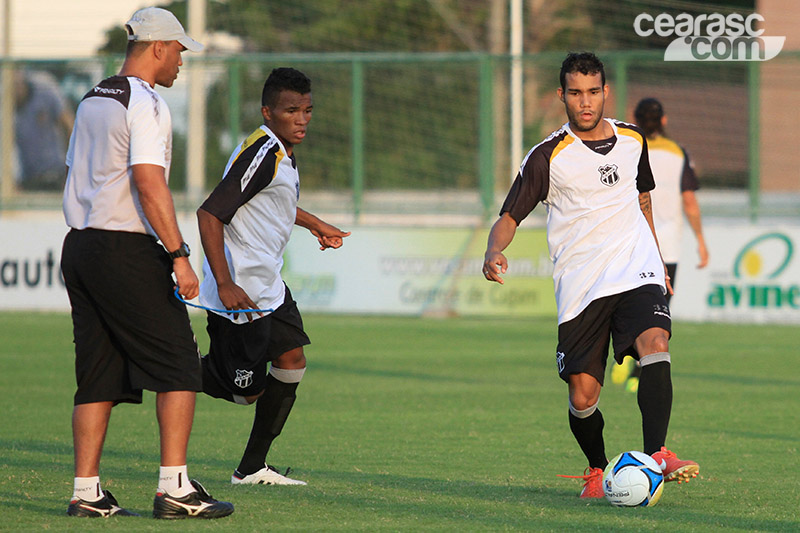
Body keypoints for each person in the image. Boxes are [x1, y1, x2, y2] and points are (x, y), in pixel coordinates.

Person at [482, 52, 699, 498]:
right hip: (582, 286)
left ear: (606, 92)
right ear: (562, 95)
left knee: (656, 344)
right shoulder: (547, 156)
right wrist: (493, 249)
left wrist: (657, 261)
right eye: (576, 93)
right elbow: (510, 215)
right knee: (583, 397)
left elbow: (643, 200)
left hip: (635, 268)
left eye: (593, 92)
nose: (586, 102)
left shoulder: (633, 140)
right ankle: (598, 469)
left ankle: (657, 452)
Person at [60, 7, 233, 519]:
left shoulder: (95, 96)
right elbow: (148, 181)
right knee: (181, 365)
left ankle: (86, 494)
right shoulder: (146, 102)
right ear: (158, 47)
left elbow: (76, 171)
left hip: (81, 246)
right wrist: (179, 255)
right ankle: (174, 489)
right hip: (125, 249)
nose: (181, 61)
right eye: (179, 50)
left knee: (97, 373)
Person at [197, 67, 350, 486]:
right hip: (241, 289)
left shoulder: (279, 150)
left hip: (268, 286)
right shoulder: (263, 152)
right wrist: (225, 282)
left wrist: (315, 223)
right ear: (268, 111)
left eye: (307, 110)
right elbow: (210, 213)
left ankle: (250, 469)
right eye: (291, 110)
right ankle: (167, 365)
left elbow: (269, 203)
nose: (301, 118)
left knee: (292, 360)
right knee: (245, 392)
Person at [612, 97, 709, 392]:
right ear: (664, 121)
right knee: (658, 311)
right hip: (667, 246)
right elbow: (689, 201)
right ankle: (640, 371)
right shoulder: (680, 154)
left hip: (631, 239)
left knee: (624, 301)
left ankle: (626, 357)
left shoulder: (627, 148)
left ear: (635, 119)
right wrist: (701, 240)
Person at [13, 70, 74, 191]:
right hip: (27, 181)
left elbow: (69, 125)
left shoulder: (44, 88)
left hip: (58, 174)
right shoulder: (5, 104)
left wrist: (72, 171)